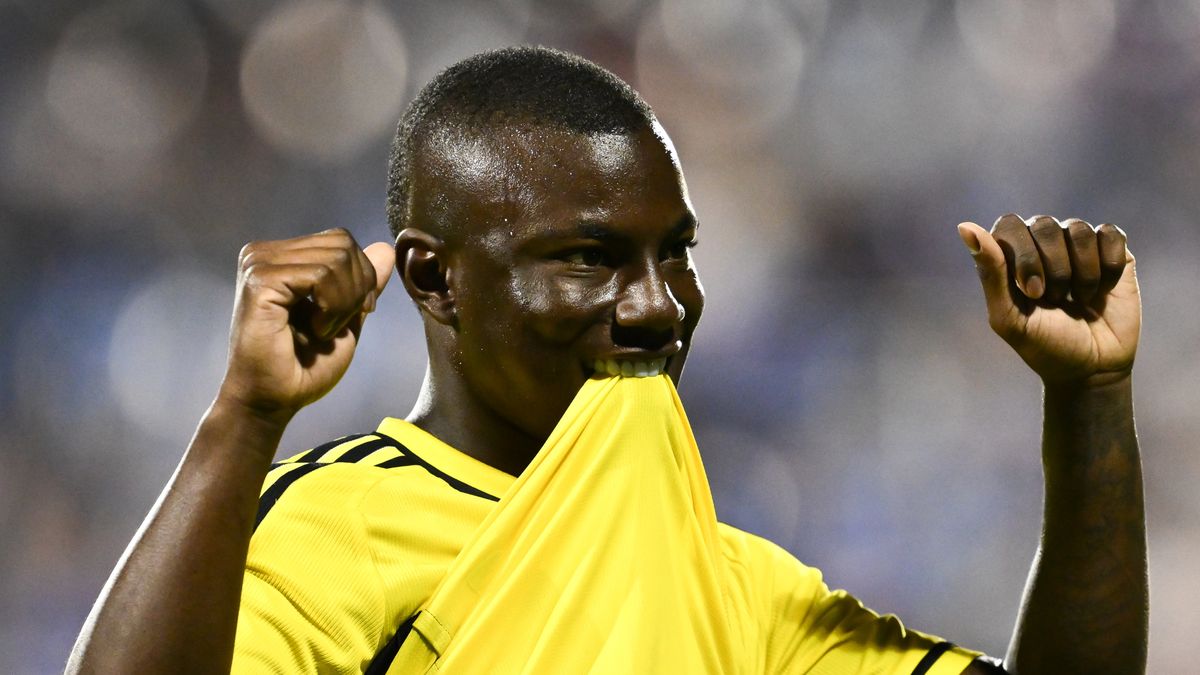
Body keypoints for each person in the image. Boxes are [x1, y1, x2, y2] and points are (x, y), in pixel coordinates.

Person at [66, 47, 1146, 674]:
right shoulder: (332, 527)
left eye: (675, 253)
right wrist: (244, 419)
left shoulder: (732, 584)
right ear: (436, 279)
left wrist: (1090, 394)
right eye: (588, 259)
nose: (656, 307)